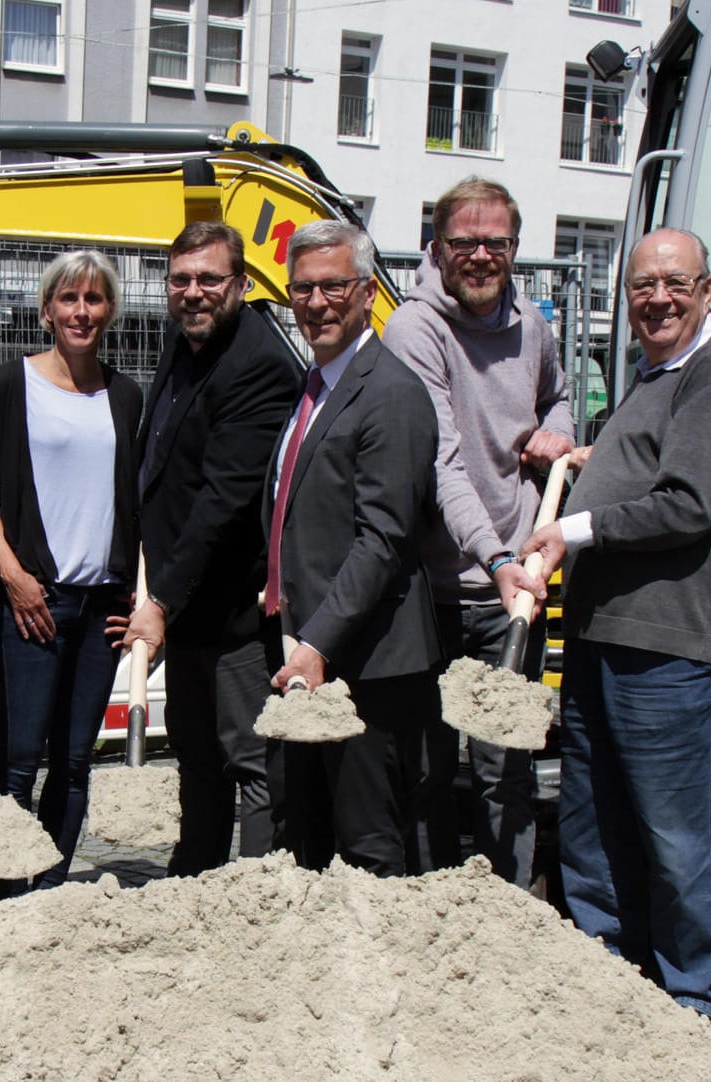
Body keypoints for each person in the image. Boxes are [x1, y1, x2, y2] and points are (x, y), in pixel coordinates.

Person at [520, 228, 711, 1024]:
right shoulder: (659, 374)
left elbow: (689, 502)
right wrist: (602, 457)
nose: (657, 299)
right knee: (597, 827)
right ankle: (609, 983)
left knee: (673, 835)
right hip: (608, 640)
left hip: (672, 647)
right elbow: (657, 468)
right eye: (641, 288)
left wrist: (573, 532)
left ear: (706, 291)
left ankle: (690, 1000)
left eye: (674, 284)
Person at [381, 177, 570, 886]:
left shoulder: (534, 325)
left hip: (513, 596)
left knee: (505, 770)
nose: (482, 255)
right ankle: (431, 914)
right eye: (465, 242)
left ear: (515, 249)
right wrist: (493, 557)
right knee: (427, 770)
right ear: (438, 248)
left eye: (497, 242)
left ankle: (509, 921)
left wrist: (556, 430)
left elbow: (558, 400)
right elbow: (441, 461)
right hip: (435, 595)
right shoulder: (414, 330)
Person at [117, 221, 301, 876]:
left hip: (232, 614)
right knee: (197, 757)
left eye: (209, 280)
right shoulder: (185, 337)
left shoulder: (259, 367)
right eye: (181, 280)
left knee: (248, 759)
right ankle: (194, 880)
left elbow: (222, 503)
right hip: (186, 604)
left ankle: (254, 899)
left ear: (243, 284)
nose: (193, 292)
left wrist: (161, 599)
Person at [264, 219, 440, 875]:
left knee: (367, 843)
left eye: (332, 286)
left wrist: (318, 644)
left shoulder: (390, 394)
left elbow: (383, 539)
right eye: (302, 289)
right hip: (312, 652)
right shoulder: (315, 387)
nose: (315, 303)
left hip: (366, 660)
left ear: (367, 293)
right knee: (308, 831)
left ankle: (383, 975)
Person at [0, 250, 142, 893]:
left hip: (103, 602)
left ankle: (50, 890)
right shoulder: (9, 385)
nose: (81, 311)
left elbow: (138, 503)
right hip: (32, 599)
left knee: (75, 761)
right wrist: (12, 574)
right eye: (69, 299)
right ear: (47, 309)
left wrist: (140, 595)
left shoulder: (126, 395)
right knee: (19, 761)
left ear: (110, 311)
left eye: (94, 299)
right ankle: (10, 892)